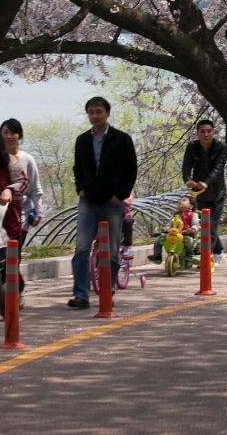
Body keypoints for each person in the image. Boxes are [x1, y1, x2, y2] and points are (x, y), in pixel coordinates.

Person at [69, 96, 138, 309]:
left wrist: (120, 194)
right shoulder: (82, 140)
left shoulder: (121, 139)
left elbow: (131, 169)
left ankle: (107, 289)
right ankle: (81, 294)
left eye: (99, 111)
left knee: (113, 249)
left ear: (107, 113)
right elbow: (78, 168)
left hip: (113, 201)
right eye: (91, 112)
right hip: (88, 200)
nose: (95, 115)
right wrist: (81, 189)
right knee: (81, 247)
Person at [181, 118, 227, 258]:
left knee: (211, 225)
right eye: (202, 132)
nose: (206, 134)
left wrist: (206, 182)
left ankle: (207, 257)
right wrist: (188, 180)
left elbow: (218, 168)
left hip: (216, 193)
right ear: (197, 133)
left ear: (213, 132)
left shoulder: (221, 147)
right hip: (198, 193)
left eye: (209, 131)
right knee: (205, 225)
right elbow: (186, 166)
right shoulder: (192, 146)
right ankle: (218, 251)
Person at [0, 118, 45, 233]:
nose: (9, 136)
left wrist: (39, 212)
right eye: (5, 133)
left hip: (21, 213)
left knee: (15, 249)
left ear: (19, 136)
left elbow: (35, 188)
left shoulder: (27, 159)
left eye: (13, 133)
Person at [149, 195, 199, 263]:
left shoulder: (193, 214)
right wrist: (165, 229)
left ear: (191, 206)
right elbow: (169, 224)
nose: (180, 201)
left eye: (184, 200)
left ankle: (189, 257)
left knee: (189, 241)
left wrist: (192, 229)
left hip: (186, 235)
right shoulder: (175, 214)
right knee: (159, 239)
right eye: (179, 200)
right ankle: (157, 256)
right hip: (173, 235)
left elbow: (195, 224)